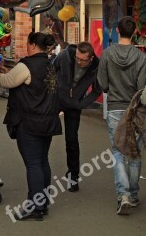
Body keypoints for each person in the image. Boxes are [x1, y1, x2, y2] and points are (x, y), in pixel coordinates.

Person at [0, 31, 62, 221]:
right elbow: (24, 82)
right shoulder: (49, 64)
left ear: (31, 45)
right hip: (47, 121)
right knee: (42, 161)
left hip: (30, 122)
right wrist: (7, 72)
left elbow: (6, 82)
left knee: (33, 164)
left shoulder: (27, 64)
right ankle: (43, 203)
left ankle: (35, 206)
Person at [97, 15, 146, 215]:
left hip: (116, 107)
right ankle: (133, 195)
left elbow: (103, 83)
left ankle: (123, 195)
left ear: (117, 31)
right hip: (136, 109)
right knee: (134, 152)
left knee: (118, 151)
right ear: (134, 32)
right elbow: (143, 87)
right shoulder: (142, 57)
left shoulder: (107, 54)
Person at [53, 41, 102, 192]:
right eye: (77, 58)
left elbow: (97, 89)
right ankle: (40, 170)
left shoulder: (96, 67)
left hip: (74, 106)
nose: (79, 62)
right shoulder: (63, 56)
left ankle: (73, 176)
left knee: (71, 140)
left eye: (83, 60)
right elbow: (49, 71)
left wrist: (82, 104)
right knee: (45, 132)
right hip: (57, 100)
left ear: (91, 58)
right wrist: (52, 93)